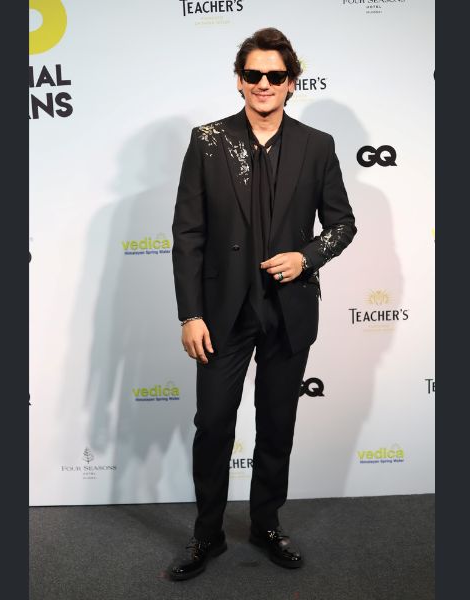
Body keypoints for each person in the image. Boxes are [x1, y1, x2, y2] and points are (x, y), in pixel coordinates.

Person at [167, 27, 357, 581]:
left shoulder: (316, 145)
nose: (264, 84)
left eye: (275, 75)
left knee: (277, 425)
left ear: (291, 82)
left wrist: (306, 257)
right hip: (221, 315)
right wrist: (190, 313)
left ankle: (266, 524)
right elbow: (188, 233)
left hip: (288, 311)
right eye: (254, 74)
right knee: (213, 425)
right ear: (239, 80)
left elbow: (342, 224)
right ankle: (207, 533)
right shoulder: (208, 141)